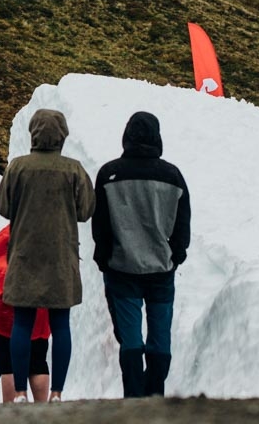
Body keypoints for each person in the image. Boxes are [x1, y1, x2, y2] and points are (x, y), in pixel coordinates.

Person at [0, 108, 95, 403]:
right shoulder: (74, 169)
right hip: (61, 258)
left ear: (33, 133)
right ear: (62, 135)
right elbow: (86, 210)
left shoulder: (18, 167)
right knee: (60, 325)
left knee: (22, 324)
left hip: (24, 256)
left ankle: (20, 393)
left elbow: (2, 207)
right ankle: (57, 393)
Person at [92, 111, 191, 398]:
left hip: (122, 269)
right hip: (161, 269)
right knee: (160, 340)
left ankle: (134, 401)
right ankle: (155, 396)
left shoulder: (109, 173)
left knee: (131, 341)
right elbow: (182, 224)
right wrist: (175, 255)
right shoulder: (173, 176)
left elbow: (101, 225)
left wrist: (104, 258)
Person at [0, 226, 51, 402]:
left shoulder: (13, 228)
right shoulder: (49, 231)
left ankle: (12, 412)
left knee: (9, 364)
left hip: (7, 308)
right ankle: (44, 409)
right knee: (37, 362)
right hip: (38, 306)